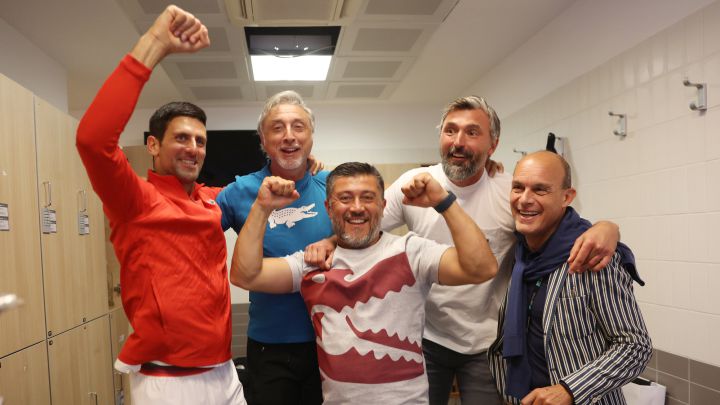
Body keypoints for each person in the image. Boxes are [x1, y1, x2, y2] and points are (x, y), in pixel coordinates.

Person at [306, 96, 623, 404]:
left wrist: (606, 228)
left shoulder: (509, 191)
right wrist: (329, 241)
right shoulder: (414, 183)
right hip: (425, 338)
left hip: (486, 343)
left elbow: (562, 229)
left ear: (493, 145)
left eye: (472, 132)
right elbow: (361, 224)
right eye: (450, 131)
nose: (458, 141)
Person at [75, 6, 245, 404]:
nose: (194, 149)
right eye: (181, 139)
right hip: (169, 382)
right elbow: (92, 141)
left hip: (225, 371)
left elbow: (257, 186)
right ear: (153, 145)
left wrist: (308, 168)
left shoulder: (210, 199)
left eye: (200, 141)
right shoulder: (135, 199)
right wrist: (153, 46)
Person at [230, 162, 498, 404]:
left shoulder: (412, 252)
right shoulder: (313, 262)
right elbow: (246, 275)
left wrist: (444, 202)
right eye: (345, 198)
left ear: (383, 205)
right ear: (328, 207)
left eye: (367, 198)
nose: (357, 207)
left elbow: (482, 268)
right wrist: (262, 207)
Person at [488, 151, 651, 405]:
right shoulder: (519, 250)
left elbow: (635, 347)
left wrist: (569, 390)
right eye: (518, 188)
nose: (524, 199)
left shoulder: (591, 256)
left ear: (567, 197)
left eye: (540, 190)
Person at [216, 91, 330, 404]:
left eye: (299, 127)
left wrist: (331, 241)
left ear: (310, 137)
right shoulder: (240, 191)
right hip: (270, 347)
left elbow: (368, 233)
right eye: (277, 128)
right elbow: (195, 233)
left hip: (333, 342)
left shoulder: (333, 185)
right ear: (263, 140)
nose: (289, 136)